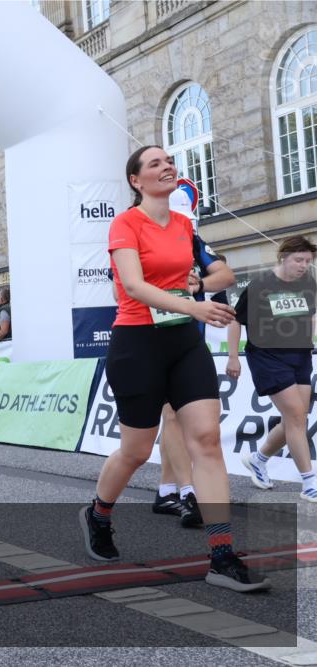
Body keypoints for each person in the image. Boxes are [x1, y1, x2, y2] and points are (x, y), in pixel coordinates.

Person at [81, 145, 269, 592]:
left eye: (169, 161)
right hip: (137, 344)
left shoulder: (185, 226)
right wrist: (194, 305)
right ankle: (98, 513)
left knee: (207, 440)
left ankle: (221, 555)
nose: (166, 166)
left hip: (184, 342)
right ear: (136, 180)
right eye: (155, 164)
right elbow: (131, 286)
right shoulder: (126, 223)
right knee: (135, 451)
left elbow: (220, 274)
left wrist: (199, 284)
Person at [150, 237, 235, 528]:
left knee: (179, 420)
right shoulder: (135, 234)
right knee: (169, 418)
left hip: (191, 344)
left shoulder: (190, 238)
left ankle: (167, 491)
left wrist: (199, 286)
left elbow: (226, 276)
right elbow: (122, 289)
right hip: (154, 341)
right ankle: (188, 491)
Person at [229, 235, 317, 502]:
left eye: (308, 261)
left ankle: (259, 459)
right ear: (283, 257)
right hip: (267, 356)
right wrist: (233, 357)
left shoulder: (308, 283)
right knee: (296, 418)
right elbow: (236, 321)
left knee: (296, 419)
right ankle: (310, 483)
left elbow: (311, 315)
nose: (304, 266)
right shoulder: (260, 285)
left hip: (300, 355)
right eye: (299, 260)